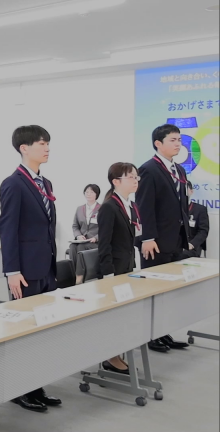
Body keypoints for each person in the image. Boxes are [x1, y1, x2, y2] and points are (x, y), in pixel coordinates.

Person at [0, 125, 61, 412]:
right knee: (23, 333)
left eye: (48, 143)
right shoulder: (13, 183)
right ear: (24, 148)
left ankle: (36, 386)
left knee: (41, 332)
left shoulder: (44, 183)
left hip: (45, 266)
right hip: (24, 271)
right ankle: (19, 389)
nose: (47, 148)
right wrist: (12, 271)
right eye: (41, 143)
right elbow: (8, 229)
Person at [136, 124, 190, 352]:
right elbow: (144, 206)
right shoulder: (148, 169)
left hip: (175, 239)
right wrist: (147, 237)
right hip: (156, 241)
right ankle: (150, 336)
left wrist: (186, 235)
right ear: (158, 144)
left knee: (168, 290)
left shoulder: (179, 170)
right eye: (173, 140)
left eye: (179, 139)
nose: (178, 144)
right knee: (154, 289)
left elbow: (181, 205)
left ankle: (163, 331)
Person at [97, 162, 142, 374]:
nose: (135, 180)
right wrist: (108, 274)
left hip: (127, 267)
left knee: (123, 315)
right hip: (113, 271)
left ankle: (116, 353)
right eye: (130, 177)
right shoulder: (109, 207)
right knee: (113, 317)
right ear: (116, 181)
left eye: (136, 177)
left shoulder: (130, 205)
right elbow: (104, 244)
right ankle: (110, 357)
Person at [69, 184, 101, 284]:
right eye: (87, 192)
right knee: (72, 247)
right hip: (82, 240)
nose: (88, 194)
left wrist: (96, 238)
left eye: (91, 192)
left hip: (95, 242)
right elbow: (75, 226)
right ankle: (73, 274)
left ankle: (79, 277)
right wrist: (78, 235)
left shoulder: (102, 208)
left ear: (97, 194)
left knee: (81, 247)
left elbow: (106, 228)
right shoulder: (80, 209)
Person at [182, 181, 209, 258]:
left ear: (191, 191)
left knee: (181, 256)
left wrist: (192, 244)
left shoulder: (200, 209)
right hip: (175, 246)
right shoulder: (173, 209)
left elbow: (203, 231)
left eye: (184, 189)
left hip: (191, 247)